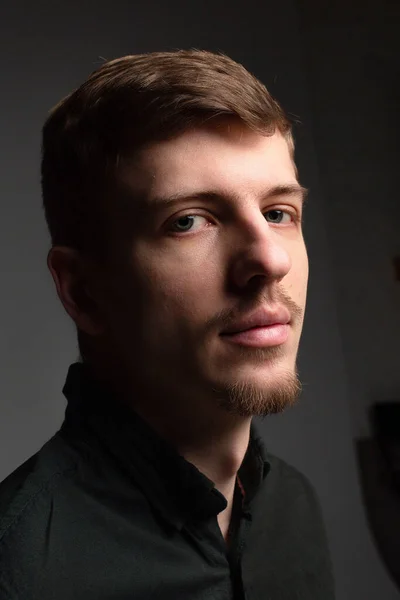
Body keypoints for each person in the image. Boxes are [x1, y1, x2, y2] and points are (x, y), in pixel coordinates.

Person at [0, 49, 335, 599]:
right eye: (188, 221)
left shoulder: (294, 509)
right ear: (84, 291)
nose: (270, 260)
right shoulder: (19, 570)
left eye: (278, 213)